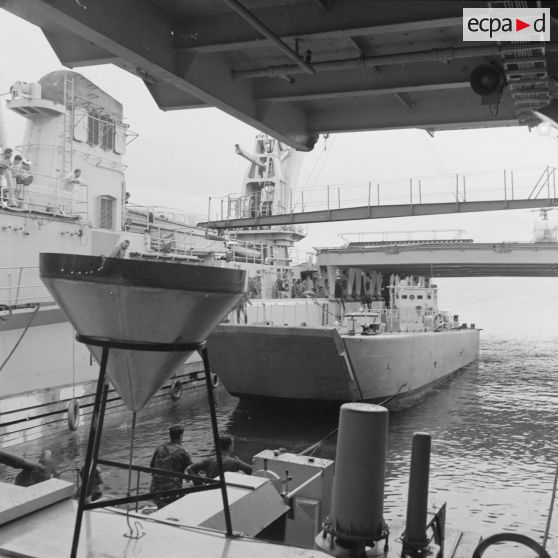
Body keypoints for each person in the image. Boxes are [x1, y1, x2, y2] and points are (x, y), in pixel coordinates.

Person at [149, 424, 192, 509]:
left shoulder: (159, 448)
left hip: (155, 490)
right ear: (180, 436)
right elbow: (191, 470)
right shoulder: (182, 451)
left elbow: (152, 466)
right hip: (172, 493)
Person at [186, 435, 252, 486]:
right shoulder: (234, 462)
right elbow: (252, 470)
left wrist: (199, 484)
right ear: (230, 446)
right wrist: (240, 461)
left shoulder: (208, 459)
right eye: (233, 444)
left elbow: (189, 469)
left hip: (210, 488)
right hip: (226, 490)